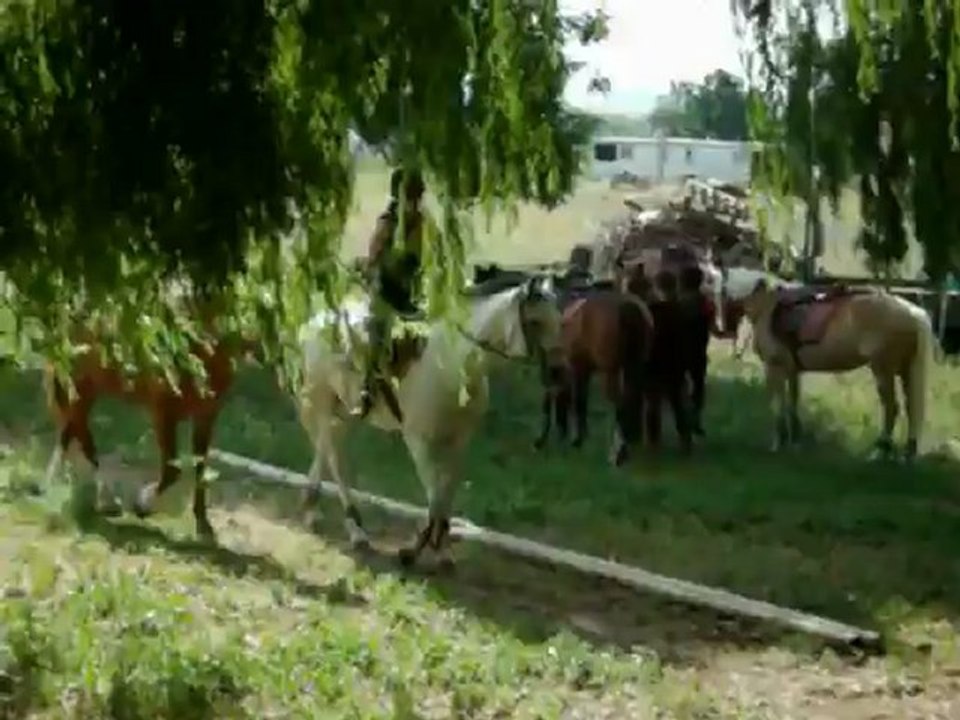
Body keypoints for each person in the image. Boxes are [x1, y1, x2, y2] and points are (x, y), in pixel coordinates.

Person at [352, 167, 429, 423]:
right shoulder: (388, 222)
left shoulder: (421, 222)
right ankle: (368, 390)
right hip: (384, 290)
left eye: (418, 197)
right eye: (410, 197)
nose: (415, 203)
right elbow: (374, 256)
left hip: (411, 291)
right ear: (399, 196)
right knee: (378, 332)